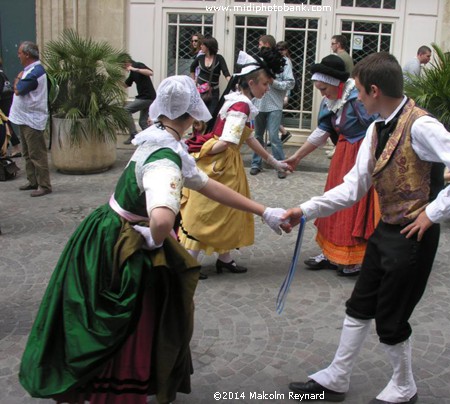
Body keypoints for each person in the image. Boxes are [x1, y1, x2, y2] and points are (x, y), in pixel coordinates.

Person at [19, 75, 287, 404]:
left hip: (104, 229)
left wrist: (264, 210)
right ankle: (119, 389)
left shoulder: (156, 138)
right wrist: (153, 239)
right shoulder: (165, 157)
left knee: (101, 314)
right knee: (132, 318)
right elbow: (161, 216)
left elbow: (204, 183)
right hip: (125, 243)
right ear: (191, 115)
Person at [283, 52, 450, 404]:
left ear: (375, 90)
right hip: (386, 231)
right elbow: (354, 187)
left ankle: (404, 385)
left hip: (414, 237)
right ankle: (337, 376)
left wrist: (433, 213)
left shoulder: (422, 126)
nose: (358, 97)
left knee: (391, 320)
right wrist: (304, 210)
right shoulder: (376, 128)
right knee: (360, 304)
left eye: (360, 92)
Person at [179, 48, 289, 278]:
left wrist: (272, 161)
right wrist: (205, 152)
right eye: (265, 84)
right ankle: (189, 262)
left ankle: (224, 258)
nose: (267, 88)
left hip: (226, 162)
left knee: (226, 210)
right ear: (251, 82)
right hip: (222, 165)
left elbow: (247, 136)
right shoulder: (242, 105)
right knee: (209, 210)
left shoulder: (236, 100)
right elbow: (228, 141)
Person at [284, 54, 378, 277]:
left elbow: (376, 128)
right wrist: (297, 156)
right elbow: (322, 131)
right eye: (319, 89)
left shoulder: (356, 100)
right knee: (332, 203)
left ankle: (352, 258)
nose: (322, 93)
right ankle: (330, 253)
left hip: (359, 156)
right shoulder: (332, 101)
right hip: (341, 157)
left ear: (337, 84)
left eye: (324, 88)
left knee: (352, 207)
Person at [9, 41, 52, 197]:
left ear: (27, 55)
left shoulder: (35, 72)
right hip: (25, 118)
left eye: (20, 53)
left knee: (36, 154)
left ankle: (44, 185)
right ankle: (33, 181)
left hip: (32, 120)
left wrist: (17, 80)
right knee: (27, 153)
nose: (18, 55)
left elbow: (19, 90)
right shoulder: (32, 70)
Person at [250, 35, 295, 179]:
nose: (258, 46)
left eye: (260, 44)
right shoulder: (258, 61)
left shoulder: (284, 61)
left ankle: (281, 165)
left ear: (267, 45)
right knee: (257, 136)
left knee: (274, 137)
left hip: (275, 104)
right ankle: (256, 163)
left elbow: (289, 83)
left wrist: (272, 82)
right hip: (258, 104)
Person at [190, 36, 231, 115]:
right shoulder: (200, 58)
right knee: (199, 115)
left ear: (208, 47)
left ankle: (208, 127)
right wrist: (194, 81)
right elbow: (192, 67)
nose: (200, 46)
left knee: (211, 114)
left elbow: (226, 73)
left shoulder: (219, 58)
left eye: (202, 45)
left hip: (213, 91)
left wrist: (232, 82)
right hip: (201, 90)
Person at [123, 56, 157, 144]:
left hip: (147, 97)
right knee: (143, 122)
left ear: (127, 62)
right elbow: (126, 85)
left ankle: (133, 134)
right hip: (144, 97)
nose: (123, 68)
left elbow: (150, 72)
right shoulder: (132, 73)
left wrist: (134, 69)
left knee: (126, 110)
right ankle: (153, 139)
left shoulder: (138, 65)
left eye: (123, 66)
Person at [0, 58, 22, 157]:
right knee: (6, 123)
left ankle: (14, 147)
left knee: (6, 123)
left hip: (4, 101)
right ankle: (12, 146)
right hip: (7, 100)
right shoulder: (2, 74)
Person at [275, 41, 293, 145]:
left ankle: (284, 132)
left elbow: (289, 81)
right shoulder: (279, 60)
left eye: (282, 50)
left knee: (274, 115)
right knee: (274, 115)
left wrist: (287, 95)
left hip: (282, 91)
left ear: (286, 50)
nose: (280, 52)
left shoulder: (287, 61)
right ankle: (282, 133)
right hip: (278, 91)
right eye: (278, 50)